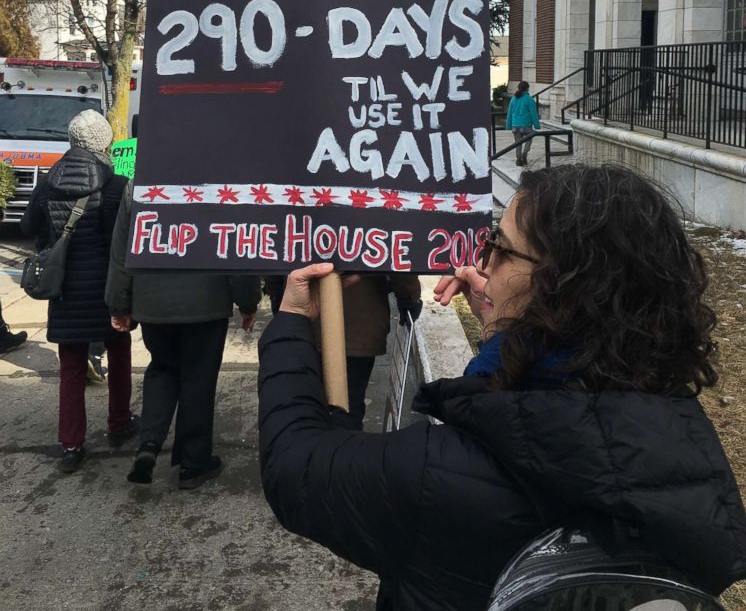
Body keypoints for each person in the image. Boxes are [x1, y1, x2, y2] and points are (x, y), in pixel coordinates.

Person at [258, 165, 746, 611]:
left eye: (501, 247)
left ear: (559, 287)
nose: (484, 262)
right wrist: (508, 332)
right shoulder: (687, 444)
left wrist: (292, 322)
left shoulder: (439, 475)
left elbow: (295, 467)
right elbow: (531, 422)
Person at [106, 182, 263, 489]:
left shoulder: (140, 183)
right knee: (198, 379)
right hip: (206, 302)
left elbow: (121, 248)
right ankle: (194, 463)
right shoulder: (224, 183)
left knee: (162, 369)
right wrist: (247, 301)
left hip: (153, 301)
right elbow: (237, 244)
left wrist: (119, 302)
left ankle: (148, 445)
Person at [20, 110, 135, 473]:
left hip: (65, 290)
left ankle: (71, 443)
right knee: (119, 353)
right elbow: (123, 243)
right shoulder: (115, 186)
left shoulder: (49, 183)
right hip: (106, 289)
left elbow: (28, 227)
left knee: (70, 366)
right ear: (104, 143)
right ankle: (119, 424)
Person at [263, 272, 422, 430]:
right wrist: (408, 298)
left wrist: (277, 294)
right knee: (347, 407)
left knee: (301, 402)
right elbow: (399, 260)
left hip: (306, 320)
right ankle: (342, 448)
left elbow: (274, 257)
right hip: (359, 321)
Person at [505, 80, 540, 167]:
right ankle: (525, 153)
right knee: (529, 139)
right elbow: (534, 114)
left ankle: (518, 159)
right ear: (527, 89)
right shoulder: (529, 99)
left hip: (515, 125)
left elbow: (509, 113)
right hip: (526, 125)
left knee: (518, 143)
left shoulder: (513, 99)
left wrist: (508, 125)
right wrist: (537, 125)